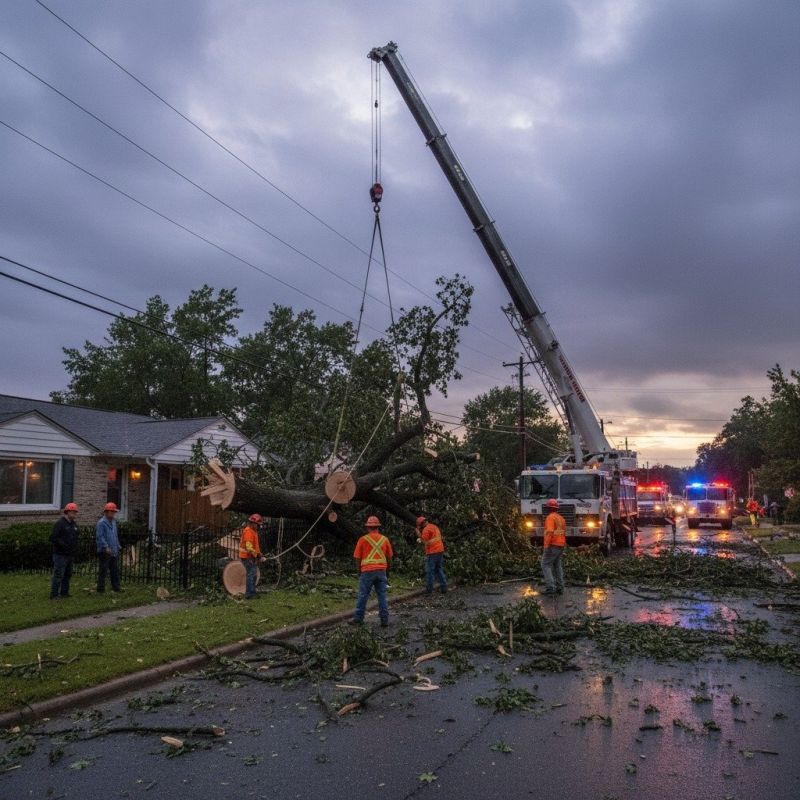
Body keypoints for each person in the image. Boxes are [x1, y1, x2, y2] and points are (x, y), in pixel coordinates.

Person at [350, 515, 393, 627]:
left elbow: (357, 558)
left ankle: (358, 619)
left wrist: (359, 571)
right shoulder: (385, 539)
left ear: (368, 527)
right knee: (382, 596)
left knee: (363, 595)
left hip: (367, 571)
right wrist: (387, 570)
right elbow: (389, 557)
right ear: (378, 527)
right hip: (381, 571)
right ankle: (384, 620)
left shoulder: (362, 540)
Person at [50, 502, 80, 599]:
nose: (74, 514)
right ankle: (54, 594)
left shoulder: (73, 524)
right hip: (60, 554)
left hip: (70, 554)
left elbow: (77, 534)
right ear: (67, 512)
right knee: (59, 574)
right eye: (72, 512)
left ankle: (64, 592)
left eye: (75, 512)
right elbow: (53, 537)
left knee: (67, 575)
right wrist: (63, 545)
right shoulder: (60, 524)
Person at [416, 515, 447, 595]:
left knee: (430, 571)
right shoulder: (434, 526)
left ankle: (429, 590)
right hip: (440, 550)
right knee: (438, 569)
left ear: (422, 524)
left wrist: (419, 535)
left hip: (433, 552)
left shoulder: (426, 530)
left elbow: (424, 541)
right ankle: (444, 587)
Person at [541, 499, 566, 595]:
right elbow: (563, 532)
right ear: (556, 508)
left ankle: (550, 588)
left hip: (553, 545)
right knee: (557, 565)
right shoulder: (561, 518)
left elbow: (550, 532)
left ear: (548, 508)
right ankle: (560, 587)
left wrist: (546, 546)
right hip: (560, 544)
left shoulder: (550, 518)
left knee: (545, 565)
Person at [96, 502, 121, 593]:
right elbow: (100, 537)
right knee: (103, 571)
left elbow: (115, 535)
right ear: (107, 512)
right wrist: (106, 547)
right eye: (112, 511)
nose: (114, 513)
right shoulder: (101, 523)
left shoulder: (113, 522)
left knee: (114, 570)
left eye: (114, 512)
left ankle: (116, 588)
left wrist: (118, 545)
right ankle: (100, 589)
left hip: (113, 550)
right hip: (104, 551)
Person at [239, 513, 266, 599]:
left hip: (250, 556)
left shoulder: (253, 531)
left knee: (253, 574)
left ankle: (252, 592)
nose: (259, 526)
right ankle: (249, 594)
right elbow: (249, 547)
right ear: (253, 523)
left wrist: (259, 554)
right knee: (251, 574)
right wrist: (257, 555)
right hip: (247, 556)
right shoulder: (248, 532)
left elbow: (255, 546)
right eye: (258, 525)